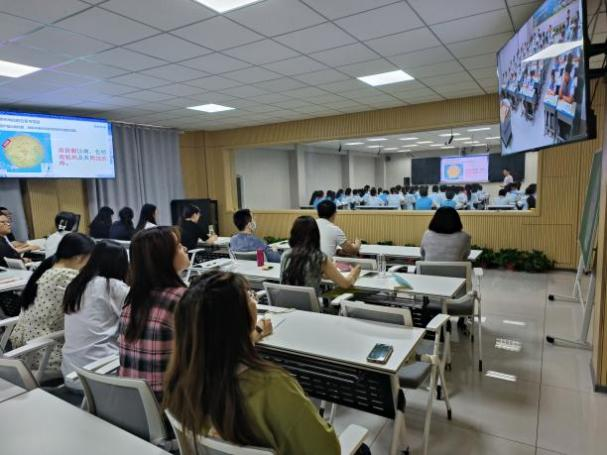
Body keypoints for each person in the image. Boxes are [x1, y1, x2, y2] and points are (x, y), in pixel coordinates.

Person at [163, 271, 342, 455]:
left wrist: (255, 334)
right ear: (237, 319)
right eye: (249, 296)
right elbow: (328, 451)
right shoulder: (273, 387)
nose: (253, 300)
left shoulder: (181, 381)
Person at [118, 227, 189, 401]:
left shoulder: (133, 297)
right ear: (164, 259)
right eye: (179, 246)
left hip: (131, 398)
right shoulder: (182, 299)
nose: (185, 248)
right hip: (168, 402)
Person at [10, 233, 95, 376]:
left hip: (23, 347)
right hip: (46, 354)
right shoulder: (68, 277)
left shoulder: (46, 269)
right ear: (79, 258)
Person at [61, 240, 129, 388]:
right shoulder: (114, 287)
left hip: (70, 373)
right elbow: (138, 321)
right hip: (101, 376)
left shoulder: (76, 284)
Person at [281, 216, 360, 298]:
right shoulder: (319, 257)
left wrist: (324, 273)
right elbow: (346, 284)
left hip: (284, 304)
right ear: (316, 235)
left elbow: (308, 273)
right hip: (310, 305)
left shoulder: (285, 255)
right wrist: (355, 271)